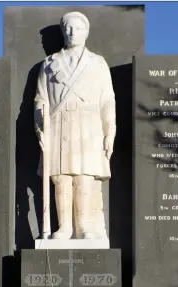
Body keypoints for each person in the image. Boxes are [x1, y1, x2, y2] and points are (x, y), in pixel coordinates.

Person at [34, 11, 116, 240]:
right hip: (59, 124)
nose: (72, 33)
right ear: (62, 32)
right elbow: (40, 99)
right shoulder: (50, 64)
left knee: (83, 176)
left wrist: (110, 131)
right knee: (61, 177)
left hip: (88, 125)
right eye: (68, 28)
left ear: (86, 32)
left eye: (78, 28)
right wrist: (40, 125)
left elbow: (107, 100)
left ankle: (84, 226)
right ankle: (64, 227)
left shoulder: (98, 63)